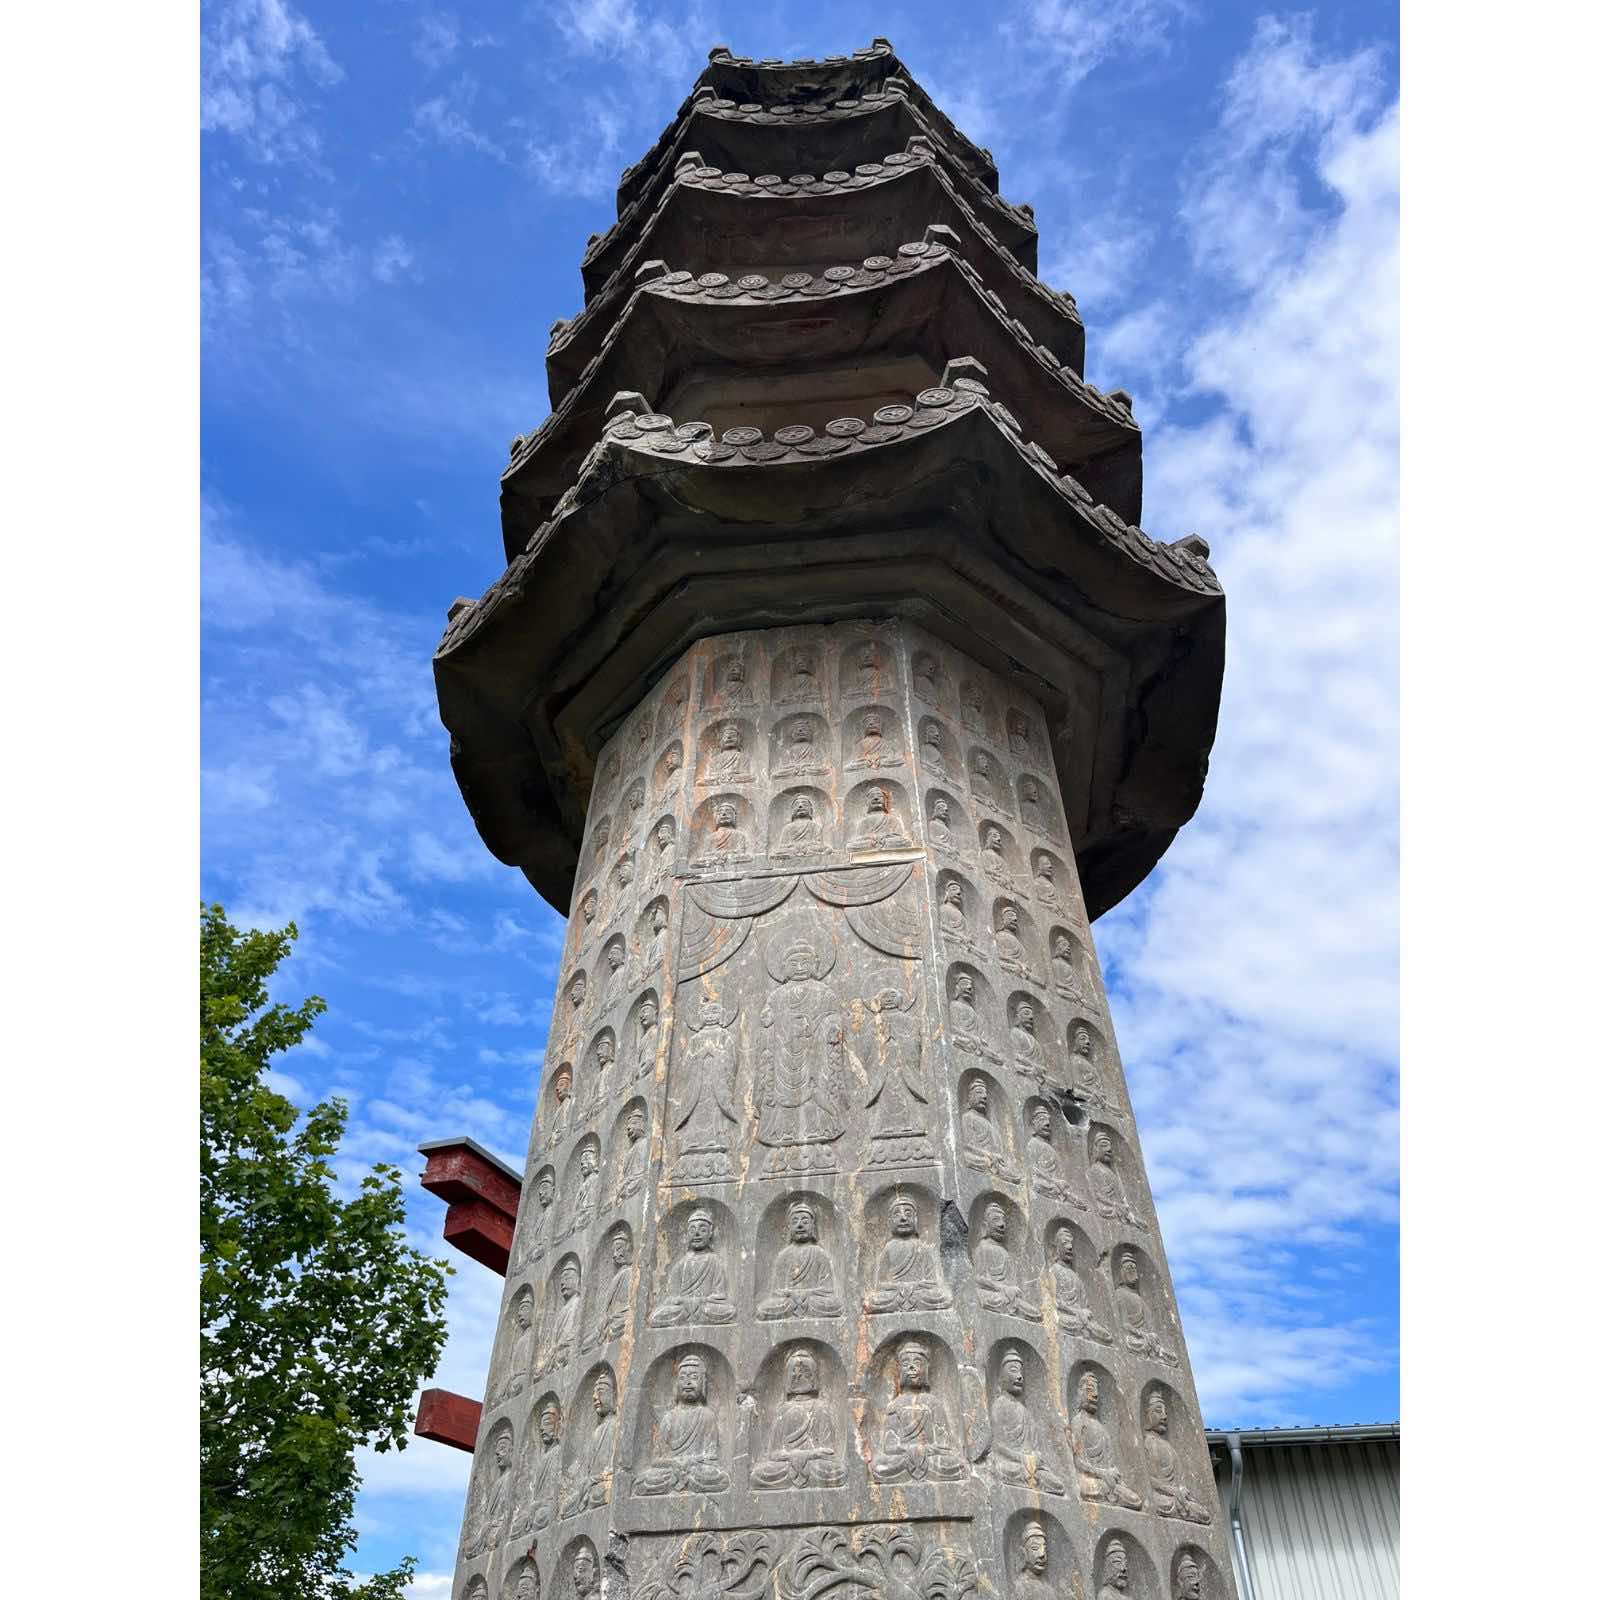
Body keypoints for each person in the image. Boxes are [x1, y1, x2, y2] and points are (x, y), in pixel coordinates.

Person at [635, 1352, 731, 1495]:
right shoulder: (669, 1418)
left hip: (696, 1471)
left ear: (703, 1384)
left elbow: (711, 1457)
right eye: (683, 1378)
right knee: (643, 1481)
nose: (688, 1383)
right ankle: (681, 1483)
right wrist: (674, 1463)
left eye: (694, 1377)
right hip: (671, 1471)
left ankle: (682, 1483)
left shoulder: (707, 1416)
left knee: (721, 1479)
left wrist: (689, 1462)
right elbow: (656, 1460)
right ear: (676, 1384)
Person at [751, 1347, 847, 1489]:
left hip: (815, 1465)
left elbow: (828, 1451)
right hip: (786, 1465)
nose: (798, 1376)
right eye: (793, 1373)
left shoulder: (821, 1408)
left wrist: (805, 1456)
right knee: (758, 1474)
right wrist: (792, 1457)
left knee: (838, 1472)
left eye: (804, 1372)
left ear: (813, 1377)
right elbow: (773, 1453)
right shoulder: (783, 1410)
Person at [869, 1339, 964, 1483]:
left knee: (956, 1465)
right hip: (903, 1459)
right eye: (906, 1364)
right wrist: (910, 1451)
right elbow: (889, 1447)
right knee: (879, 1467)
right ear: (900, 1371)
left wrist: (927, 1450)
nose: (911, 1368)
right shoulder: (894, 1405)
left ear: (925, 1369)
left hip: (931, 1459)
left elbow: (944, 1445)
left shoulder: (933, 1403)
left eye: (917, 1363)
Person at [989, 1345, 1067, 1493]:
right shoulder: (999, 1406)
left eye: (1021, 1372)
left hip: (1030, 1465)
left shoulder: (1026, 1412)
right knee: (998, 1469)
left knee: (1057, 1484)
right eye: (1013, 1371)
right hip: (1011, 1464)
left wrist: (1034, 1458)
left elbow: (1034, 1447)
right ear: (1001, 1377)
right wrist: (1021, 1459)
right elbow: (997, 1445)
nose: (1019, 1376)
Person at [864, 1190, 954, 1313]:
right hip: (895, 1295)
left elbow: (932, 1282)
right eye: (897, 1214)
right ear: (890, 1221)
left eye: (908, 1213)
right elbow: (880, 1284)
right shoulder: (889, 1248)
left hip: (918, 1294)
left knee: (942, 1297)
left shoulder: (922, 1248)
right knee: (873, 1300)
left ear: (916, 1220)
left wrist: (913, 1287)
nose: (903, 1218)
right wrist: (900, 1287)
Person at [757, 1198, 844, 1319]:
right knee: (762, 1309)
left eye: (805, 1221)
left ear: (812, 1227)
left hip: (812, 1301)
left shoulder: (819, 1253)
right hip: (789, 1302)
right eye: (795, 1221)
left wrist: (806, 1294)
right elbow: (776, 1292)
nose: (800, 1225)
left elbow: (827, 1290)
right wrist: (790, 1295)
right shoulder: (783, 1256)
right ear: (789, 1228)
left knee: (837, 1306)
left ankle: (798, 1310)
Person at [649, 1207, 737, 1325]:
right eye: (692, 1230)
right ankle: (692, 1316)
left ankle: (692, 1317)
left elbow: (719, 1295)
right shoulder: (681, 1264)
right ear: (687, 1234)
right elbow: (671, 1297)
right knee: (656, 1316)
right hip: (683, 1309)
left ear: (710, 1233)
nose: (697, 1233)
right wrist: (682, 1302)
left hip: (705, 1308)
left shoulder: (715, 1261)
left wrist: (700, 1302)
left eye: (703, 1230)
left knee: (730, 1312)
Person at [1071, 1374, 1142, 1508]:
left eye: (1097, 1391)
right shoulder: (1077, 1422)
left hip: (1107, 1480)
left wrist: (1113, 1473)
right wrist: (1102, 1473)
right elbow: (1078, 1461)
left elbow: (1110, 1463)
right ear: (1080, 1393)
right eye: (1090, 1390)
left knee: (1135, 1499)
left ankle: (1112, 1493)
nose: (1095, 1395)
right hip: (1090, 1479)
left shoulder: (1102, 1428)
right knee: (1087, 1488)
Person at [1144, 1392, 1211, 1521]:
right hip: (1162, 1497)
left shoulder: (1170, 1448)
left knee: (1203, 1513)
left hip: (1176, 1497)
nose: (1164, 1416)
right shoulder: (1148, 1443)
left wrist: (1182, 1491)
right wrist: (1173, 1491)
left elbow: (1180, 1481)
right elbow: (1149, 1479)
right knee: (1153, 1503)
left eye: (1165, 1412)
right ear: (1148, 1415)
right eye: (1158, 1411)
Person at [559, 1375, 617, 1518]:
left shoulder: (616, 1425)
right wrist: (586, 1482)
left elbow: (613, 1468)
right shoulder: (596, 1432)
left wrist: (596, 1479)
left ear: (613, 1395)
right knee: (565, 1506)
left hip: (601, 1484)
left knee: (603, 1492)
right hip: (590, 1487)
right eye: (594, 1394)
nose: (595, 1397)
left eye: (601, 1392)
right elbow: (585, 1471)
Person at [974, 1201, 1041, 1320]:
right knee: (979, 1296)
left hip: (1009, 1297)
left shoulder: (1005, 1253)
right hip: (992, 1294)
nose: (1001, 1225)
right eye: (996, 1220)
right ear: (985, 1225)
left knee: (1036, 1313)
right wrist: (1001, 1288)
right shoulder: (983, 1248)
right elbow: (978, 1279)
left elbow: (1011, 1283)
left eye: (1003, 1220)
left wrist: (1010, 1290)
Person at [1049, 1227, 1112, 1341]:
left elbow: (1085, 1304)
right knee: (1059, 1320)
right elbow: (1056, 1301)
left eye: (1071, 1244)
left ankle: (1084, 1329)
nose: (1069, 1247)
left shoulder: (1076, 1277)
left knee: (1107, 1336)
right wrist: (1076, 1312)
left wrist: (1085, 1312)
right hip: (1067, 1317)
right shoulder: (1054, 1270)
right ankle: (1083, 1329)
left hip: (1081, 1318)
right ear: (1057, 1247)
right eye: (1065, 1243)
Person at [1114, 1253, 1178, 1364]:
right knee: (1131, 1343)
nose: (1133, 1272)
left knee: (1170, 1356)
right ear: (1122, 1272)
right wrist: (1142, 1334)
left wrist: (1150, 1335)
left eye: (1135, 1269)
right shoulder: (1120, 1294)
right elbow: (1125, 1324)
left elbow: (1149, 1324)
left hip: (1147, 1339)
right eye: (1129, 1268)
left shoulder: (1139, 1298)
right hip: (1135, 1338)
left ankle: (1157, 1352)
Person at [960, 1078, 1019, 1181]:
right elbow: (968, 1147)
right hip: (980, 1158)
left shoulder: (989, 1123)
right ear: (969, 1097)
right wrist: (989, 1156)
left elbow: (998, 1149)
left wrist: (996, 1158)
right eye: (979, 1093)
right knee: (969, 1158)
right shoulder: (968, 1117)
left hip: (995, 1161)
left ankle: (998, 1170)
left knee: (1014, 1174)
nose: (984, 1096)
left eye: (985, 1094)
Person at [536, 1259, 582, 1376]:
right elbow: (553, 1341)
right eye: (561, 1280)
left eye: (567, 1279)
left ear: (577, 1281)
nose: (563, 1283)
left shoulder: (578, 1303)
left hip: (566, 1350)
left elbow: (575, 1333)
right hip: (555, 1354)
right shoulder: (562, 1311)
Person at [850, 785, 909, 850]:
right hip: (870, 843)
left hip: (887, 842)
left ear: (885, 801)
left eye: (880, 796)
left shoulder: (892, 819)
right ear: (867, 802)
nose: (876, 798)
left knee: (905, 842)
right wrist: (872, 839)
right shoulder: (864, 821)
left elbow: (900, 837)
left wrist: (884, 839)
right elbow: (859, 839)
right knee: (851, 846)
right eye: (872, 796)